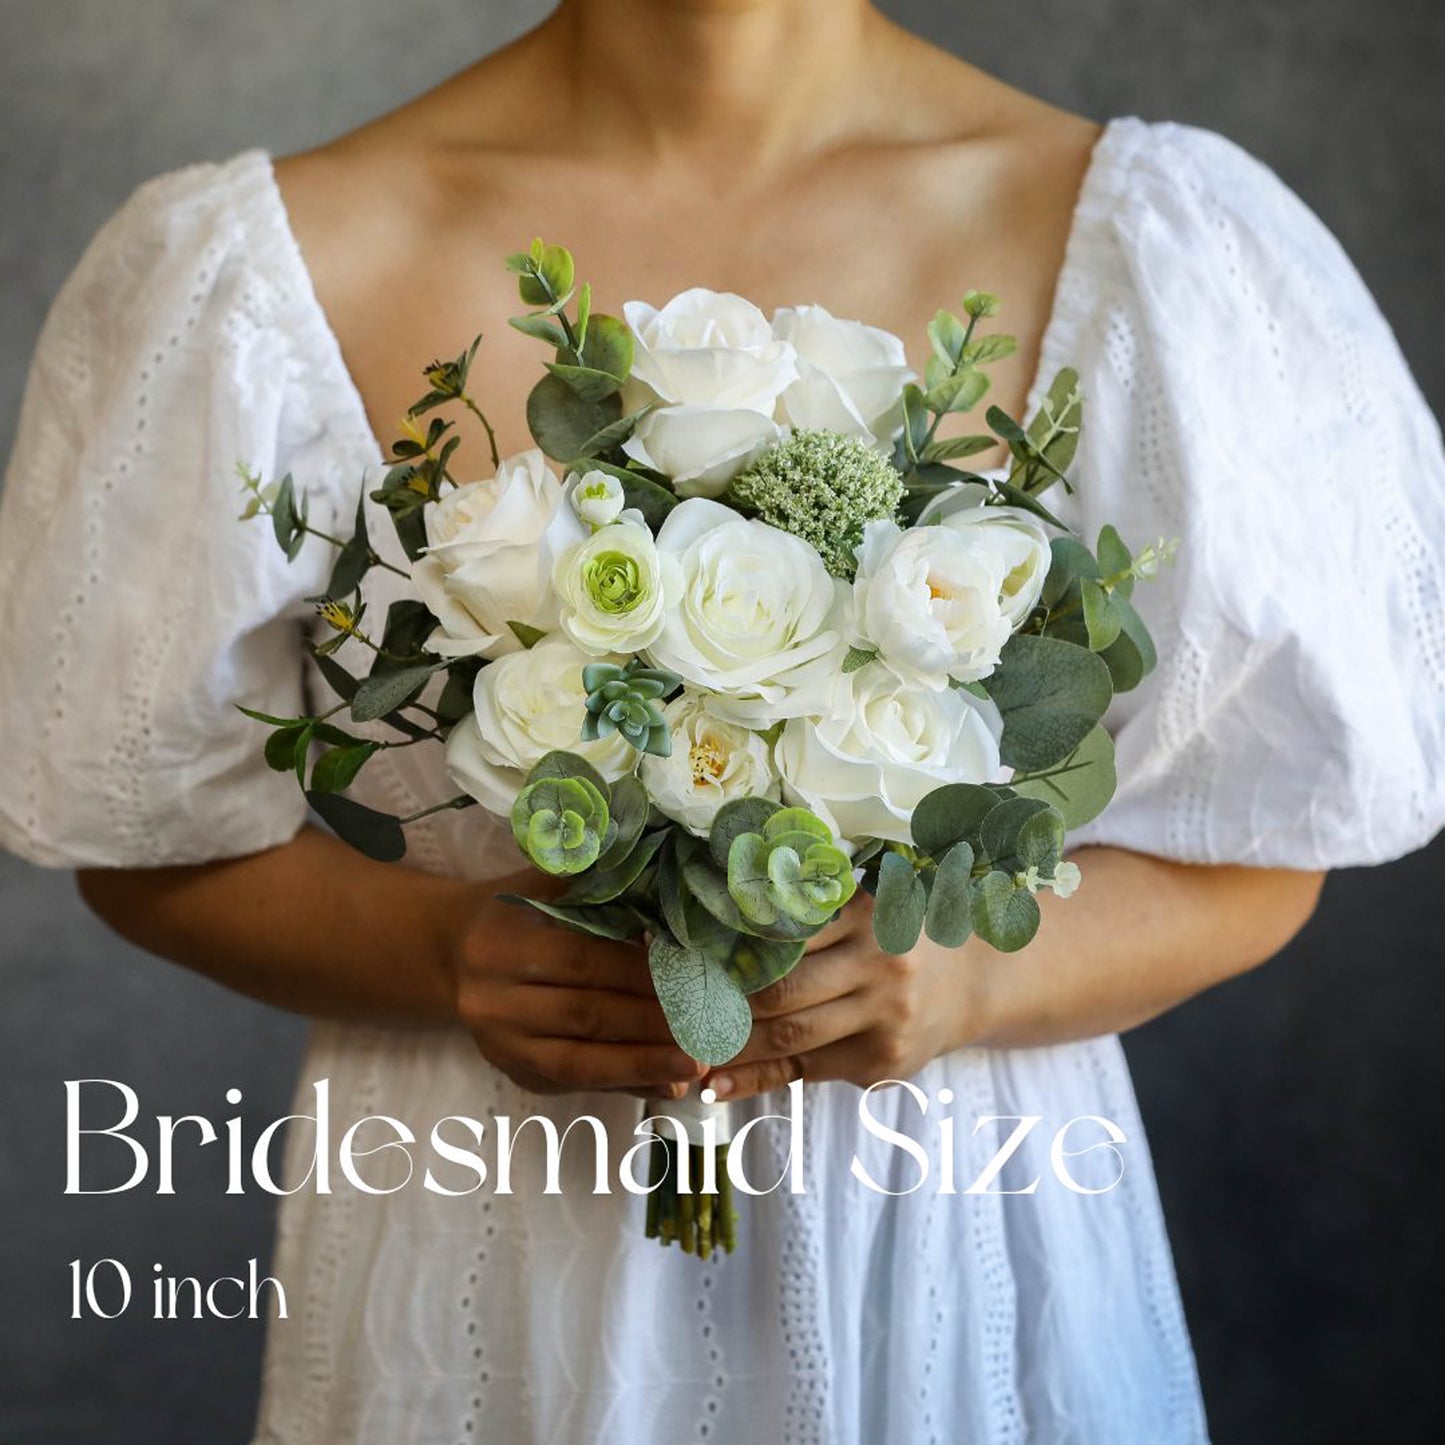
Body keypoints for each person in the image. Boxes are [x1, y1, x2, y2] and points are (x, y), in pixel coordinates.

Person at [2, 2, 1442, 1440]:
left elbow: (1270, 841)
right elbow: (142, 833)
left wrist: (980, 981)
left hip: (944, 1227)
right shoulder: (277, 257)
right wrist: (446, 952)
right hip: (489, 1230)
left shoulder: (1149, 240)